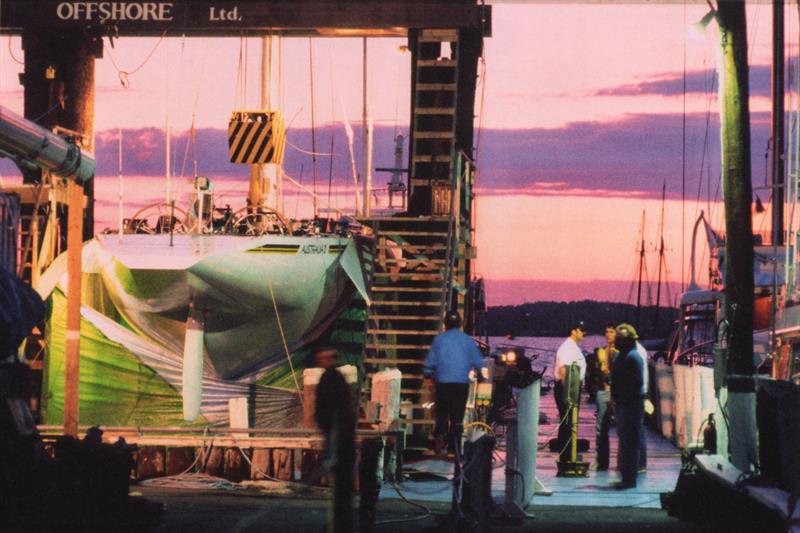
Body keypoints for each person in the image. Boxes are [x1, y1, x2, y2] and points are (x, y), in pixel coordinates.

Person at [423, 311, 486, 454]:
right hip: (461, 385)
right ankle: (454, 448)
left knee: (442, 414)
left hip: (443, 384)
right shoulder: (467, 340)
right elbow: (478, 361)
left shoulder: (439, 340)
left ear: (445, 324)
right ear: (460, 324)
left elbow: (429, 362)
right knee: (457, 416)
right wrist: (481, 375)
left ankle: (439, 441)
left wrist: (428, 373)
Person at [313, 346, 355, 533]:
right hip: (341, 435)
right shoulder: (337, 379)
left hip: (337, 435)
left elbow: (326, 410)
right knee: (342, 484)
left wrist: (326, 429)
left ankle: (338, 524)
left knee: (340, 483)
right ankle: (341, 522)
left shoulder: (329, 379)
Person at [610, 323, 644, 489]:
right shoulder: (620, 357)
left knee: (631, 441)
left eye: (618, 338)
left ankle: (630, 478)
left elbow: (637, 382)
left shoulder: (633, 357)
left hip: (631, 405)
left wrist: (623, 398)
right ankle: (626, 475)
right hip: (623, 404)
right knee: (625, 440)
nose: (615, 340)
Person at [553, 321, 587, 462]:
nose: (584, 333)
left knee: (568, 423)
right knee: (568, 422)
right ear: (573, 331)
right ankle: (567, 456)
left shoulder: (572, 347)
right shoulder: (568, 348)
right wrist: (570, 394)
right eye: (581, 330)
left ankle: (568, 454)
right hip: (567, 388)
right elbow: (563, 371)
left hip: (572, 387)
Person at [586, 322, 616, 471]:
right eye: (606, 331)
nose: (608, 334)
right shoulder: (601, 352)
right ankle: (602, 461)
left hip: (617, 393)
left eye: (611, 331)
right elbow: (595, 373)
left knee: (623, 428)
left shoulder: (620, 352)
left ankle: (624, 461)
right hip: (602, 392)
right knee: (601, 428)